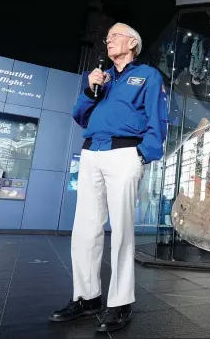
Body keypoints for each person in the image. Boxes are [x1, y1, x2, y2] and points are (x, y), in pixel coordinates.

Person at [49, 23, 168, 333]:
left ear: (132, 42)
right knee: (85, 230)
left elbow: (159, 117)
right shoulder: (102, 79)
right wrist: (91, 89)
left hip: (125, 154)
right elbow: (80, 115)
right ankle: (86, 298)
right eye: (107, 37)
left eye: (114, 36)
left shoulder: (148, 75)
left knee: (123, 230)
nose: (108, 40)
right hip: (91, 153)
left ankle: (120, 303)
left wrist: (144, 154)